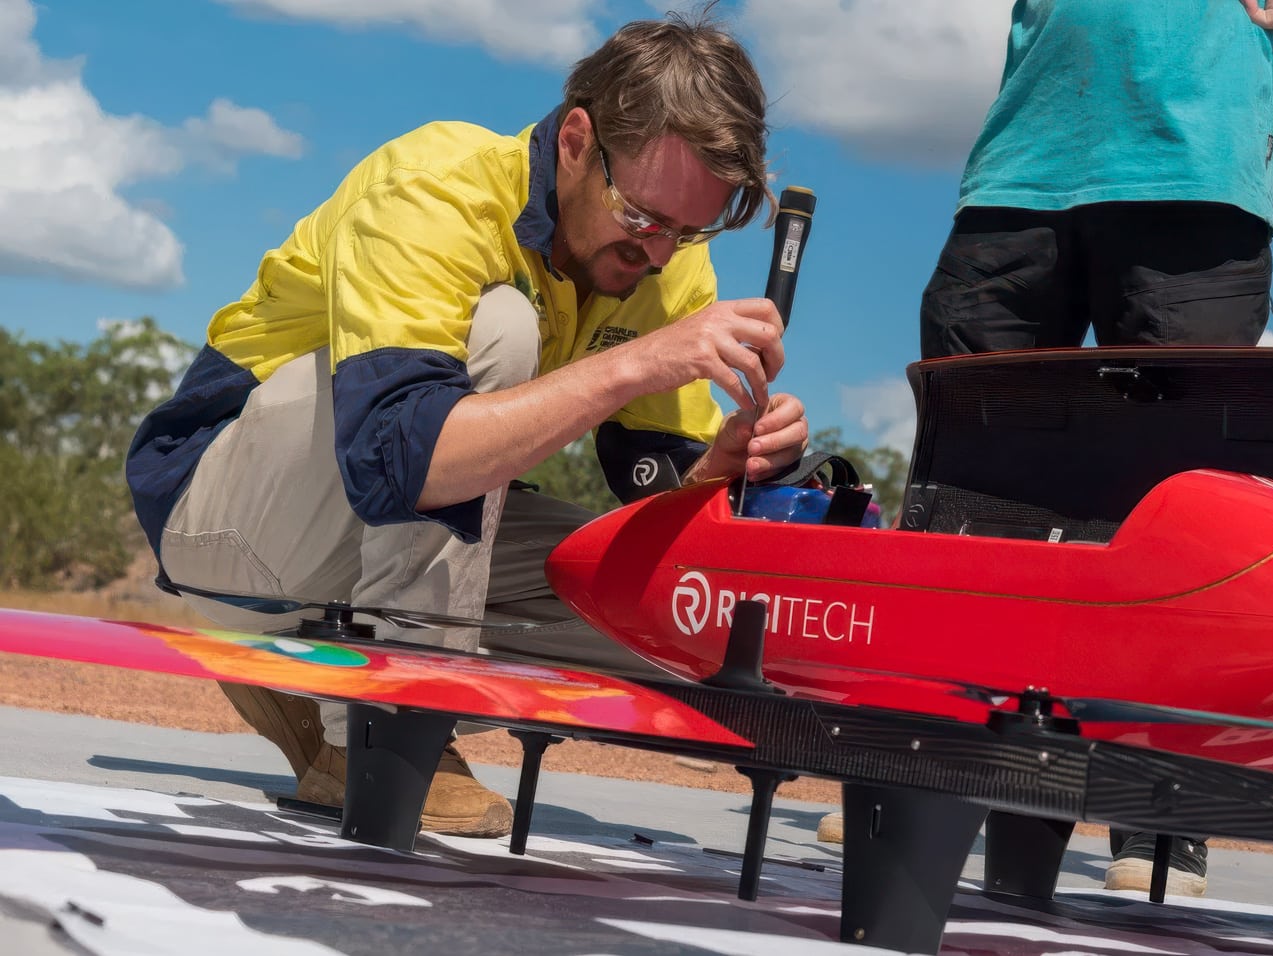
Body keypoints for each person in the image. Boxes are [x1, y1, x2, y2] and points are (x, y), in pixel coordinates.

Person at [125, 9, 809, 839]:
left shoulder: (666, 261)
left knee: (678, 611)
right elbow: (400, 464)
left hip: (384, 524)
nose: (660, 256)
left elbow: (654, 488)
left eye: (689, 230)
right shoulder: (435, 183)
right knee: (503, 329)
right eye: (642, 218)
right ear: (575, 142)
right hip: (228, 524)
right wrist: (640, 361)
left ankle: (310, 678)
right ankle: (382, 728)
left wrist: (723, 466)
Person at [884, 0, 1273, 896]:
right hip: (1024, 165)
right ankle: (926, 765)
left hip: (1194, 160)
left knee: (1182, 505)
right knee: (966, 481)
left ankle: (1156, 804)